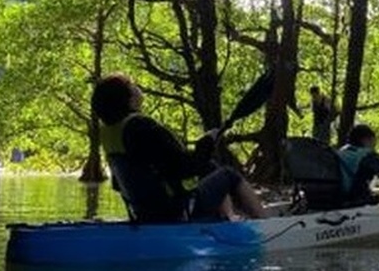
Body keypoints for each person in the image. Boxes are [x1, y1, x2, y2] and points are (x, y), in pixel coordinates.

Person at [92, 74, 267, 223]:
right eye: (132, 85)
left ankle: (227, 220)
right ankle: (266, 225)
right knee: (229, 174)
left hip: (144, 214)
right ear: (127, 98)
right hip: (174, 211)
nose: (136, 87)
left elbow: (118, 184)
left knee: (211, 168)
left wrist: (205, 146)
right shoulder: (141, 127)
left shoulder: (109, 132)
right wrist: (206, 144)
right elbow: (184, 169)